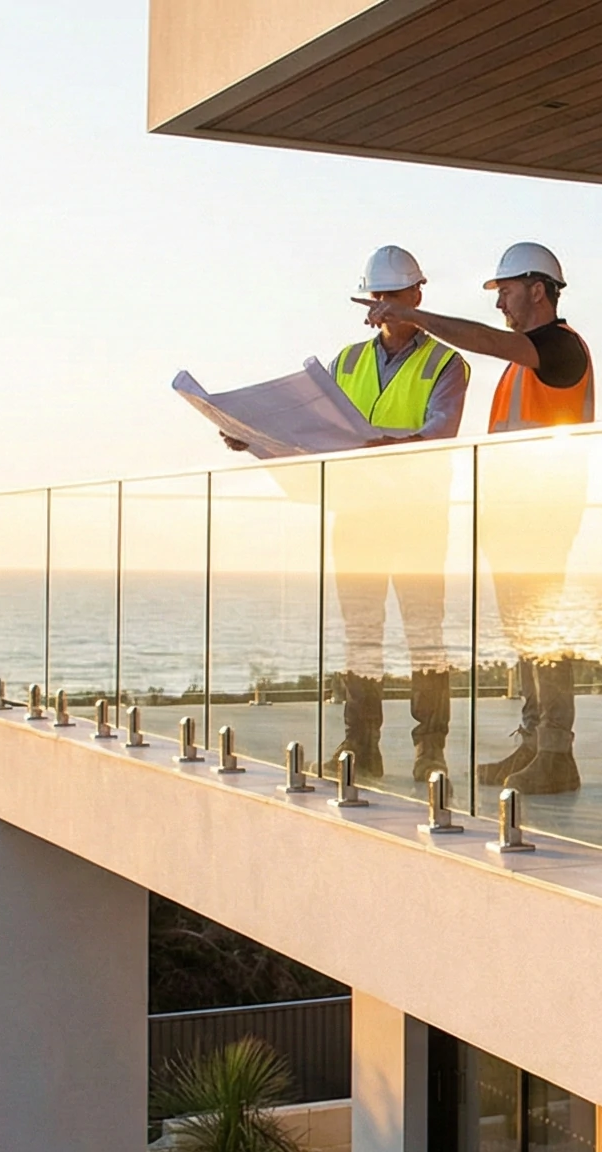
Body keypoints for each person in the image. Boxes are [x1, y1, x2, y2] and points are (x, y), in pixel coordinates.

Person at [226, 245, 469, 786]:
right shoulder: (347, 362)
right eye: (376, 297)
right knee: (360, 635)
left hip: (418, 519)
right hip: (357, 516)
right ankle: (360, 746)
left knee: (425, 637)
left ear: (417, 295)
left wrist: (388, 447)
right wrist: (254, 438)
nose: (383, 306)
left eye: (393, 295)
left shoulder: (447, 364)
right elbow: (314, 432)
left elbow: (440, 432)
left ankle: (431, 751)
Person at [360, 243, 597, 793]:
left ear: (537, 290)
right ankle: (535, 743)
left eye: (506, 292)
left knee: (543, 630)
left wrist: (414, 317)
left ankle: (556, 752)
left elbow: (488, 341)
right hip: (514, 515)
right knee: (526, 631)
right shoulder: (525, 362)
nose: (500, 304)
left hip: (542, 513)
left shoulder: (560, 348)